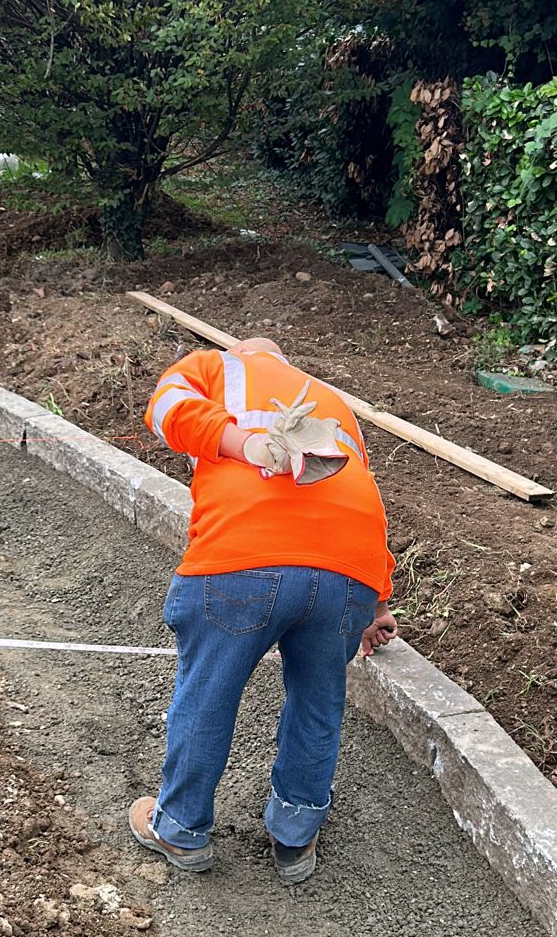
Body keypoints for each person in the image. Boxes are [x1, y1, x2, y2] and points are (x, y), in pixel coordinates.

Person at [128, 336, 397, 885]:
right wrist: (375, 605)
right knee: (318, 700)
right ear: (283, 361)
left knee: (209, 692)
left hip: (242, 558)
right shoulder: (330, 399)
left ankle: (179, 828)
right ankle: (295, 836)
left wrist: (242, 444)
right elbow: (360, 498)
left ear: (244, 352)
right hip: (347, 574)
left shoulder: (215, 366)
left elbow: (166, 410)